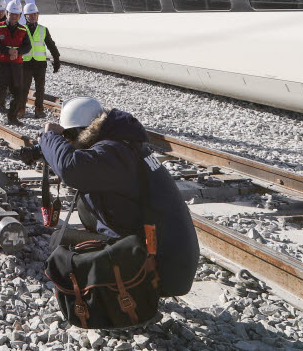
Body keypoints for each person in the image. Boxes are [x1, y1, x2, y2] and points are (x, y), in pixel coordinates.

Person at [38, 97, 199, 297]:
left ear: (81, 131)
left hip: (162, 269)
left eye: (68, 135)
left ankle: (116, 298)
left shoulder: (112, 152)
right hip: (168, 255)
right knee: (86, 206)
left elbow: (71, 168)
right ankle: (119, 282)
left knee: (59, 241)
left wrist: (50, 138)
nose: (68, 142)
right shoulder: (123, 145)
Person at [0, 1, 31, 126]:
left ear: (20, 15)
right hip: (0, 64)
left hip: (16, 65)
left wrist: (18, 51)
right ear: (7, 13)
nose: (14, 17)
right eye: (11, 14)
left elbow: (28, 46)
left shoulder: (23, 29)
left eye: (16, 14)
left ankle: (12, 117)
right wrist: (8, 51)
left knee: (17, 92)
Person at [19, 3, 61, 119]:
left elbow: (51, 45)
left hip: (40, 64)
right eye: (30, 15)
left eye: (35, 14)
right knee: (24, 88)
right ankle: (21, 109)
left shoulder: (43, 30)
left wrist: (56, 59)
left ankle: (39, 110)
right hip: (25, 63)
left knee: (40, 88)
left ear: (38, 15)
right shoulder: (21, 29)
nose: (33, 16)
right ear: (25, 16)